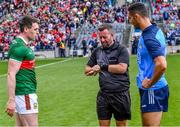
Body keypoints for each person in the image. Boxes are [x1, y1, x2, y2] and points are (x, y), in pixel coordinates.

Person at [128, 2, 169, 126]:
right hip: (149, 89)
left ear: (136, 16)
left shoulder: (149, 37)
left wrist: (150, 82)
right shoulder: (151, 30)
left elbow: (162, 65)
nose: (129, 21)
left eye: (130, 17)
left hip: (153, 89)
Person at [84, 24, 131, 126]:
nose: (102, 40)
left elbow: (122, 68)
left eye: (105, 37)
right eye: (100, 37)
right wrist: (93, 69)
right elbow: (86, 69)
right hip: (104, 95)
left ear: (112, 35)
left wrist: (102, 66)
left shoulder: (121, 49)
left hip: (120, 93)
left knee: (121, 125)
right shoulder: (97, 51)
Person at [6, 15, 39, 126]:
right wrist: (11, 100)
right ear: (26, 29)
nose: (37, 32)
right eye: (35, 29)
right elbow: (11, 73)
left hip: (24, 93)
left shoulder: (21, 45)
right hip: (25, 93)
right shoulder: (19, 47)